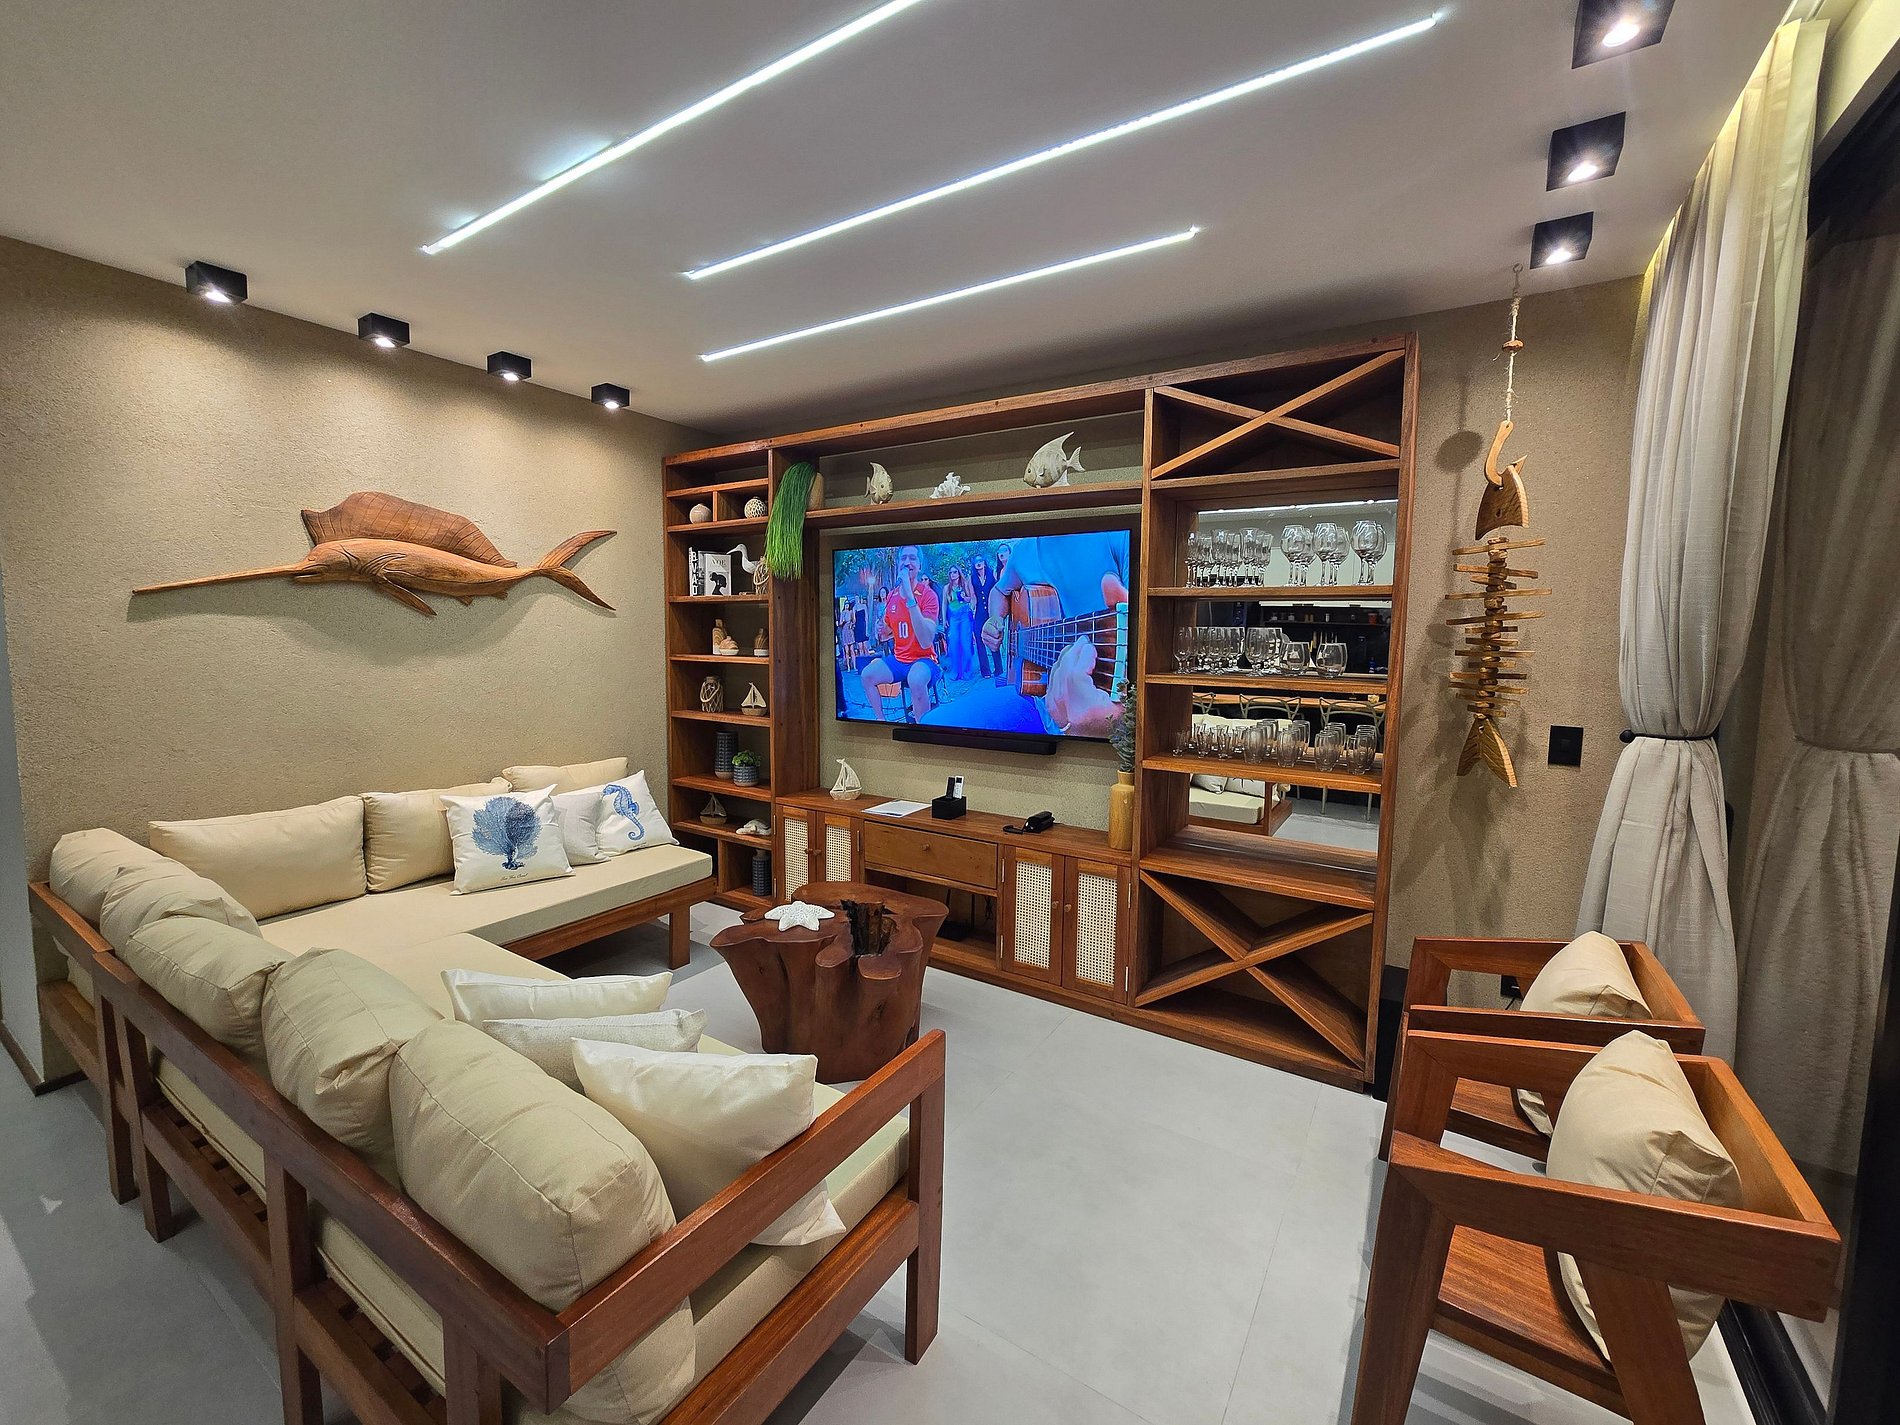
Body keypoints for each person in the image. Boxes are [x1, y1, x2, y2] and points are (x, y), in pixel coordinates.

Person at [858, 544, 940, 722]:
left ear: (919, 565)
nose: (907, 562)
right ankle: (881, 722)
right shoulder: (892, 596)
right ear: (898, 564)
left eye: (912, 558)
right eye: (903, 558)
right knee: (867, 675)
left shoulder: (928, 595)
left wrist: (910, 597)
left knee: (916, 679)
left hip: (924, 660)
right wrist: (882, 630)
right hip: (899, 659)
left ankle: (924, 728)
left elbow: (926, 641)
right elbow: (888, 631)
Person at [943, 567, 977, 682]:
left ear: (958, 573)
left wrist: (964, 597)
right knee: (953, 644)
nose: (953, 574)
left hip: (964, 616)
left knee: (965, 643)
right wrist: (944, 619)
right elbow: (944, 604)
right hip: (953, 617)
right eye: (951, 572)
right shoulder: (947, 588)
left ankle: (967, 671)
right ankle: (956, 671)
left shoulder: (964, 585)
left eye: (955, 572)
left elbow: (971, 599)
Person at [970, 553, 998, 676]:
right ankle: (985, 671)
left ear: (984, 562)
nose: (978, 563)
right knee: (979, 638)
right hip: (979, 612)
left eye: (980, 560)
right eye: (976, 561)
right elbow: (973, 597)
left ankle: (998, 669)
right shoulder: (972, 578)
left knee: (994, 637)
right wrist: (972, 609)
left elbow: (997, 591)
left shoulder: (992, 574)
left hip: (991, 610)